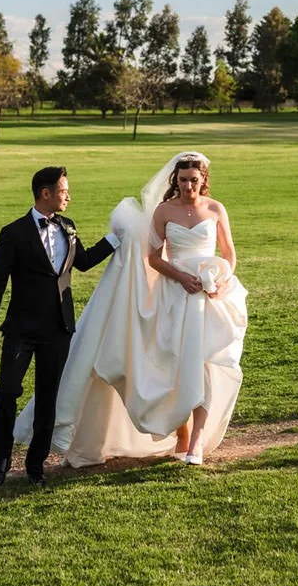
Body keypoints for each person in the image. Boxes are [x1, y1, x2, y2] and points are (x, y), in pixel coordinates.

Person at [14, 150, 247, 467]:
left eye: (194, 180)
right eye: (182, 180)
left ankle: (196, 443)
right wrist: (180, 278)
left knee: (203, 363)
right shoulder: (164, 211)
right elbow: (154, 258)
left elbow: (229, 253)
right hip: (175, 294)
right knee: (175, 367)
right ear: (175, 180)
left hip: (208, 297)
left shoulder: (216, 209)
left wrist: (220, 279)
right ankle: (182, 433)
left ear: (203, 179)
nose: (188, 186)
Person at [0, 165, 118, 487]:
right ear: (46, 193)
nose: (68, 195)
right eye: (63, 190)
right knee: (8, 393)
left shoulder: (68, 227)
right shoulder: (13, 233)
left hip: (58, 330)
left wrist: (117, 238)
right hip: (21, 330)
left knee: (47, 398)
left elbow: (82, 262)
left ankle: (35, 467)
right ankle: (0, 460)